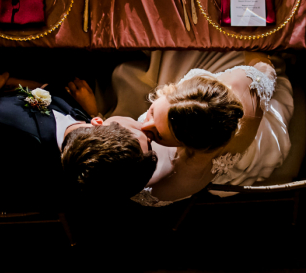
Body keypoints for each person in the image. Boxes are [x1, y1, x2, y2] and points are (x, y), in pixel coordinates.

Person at [70, 50, 294, 207]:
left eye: (151, 112)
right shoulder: (242, 103)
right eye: (153, 137)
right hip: (249, 128)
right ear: (187, 144)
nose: (145, 126)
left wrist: (95, 115)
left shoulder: (119, 178)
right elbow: (263, 70)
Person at [0, 72, 157, 211]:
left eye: (142, 135)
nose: (147, 129)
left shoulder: (2, 121)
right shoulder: (91, 173)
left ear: (99, 122)